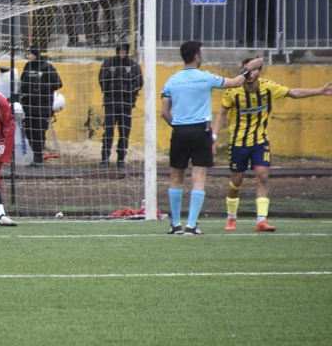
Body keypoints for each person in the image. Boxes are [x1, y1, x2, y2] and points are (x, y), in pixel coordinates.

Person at [212, 59, 332, 232]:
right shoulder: (233, 91)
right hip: (239, 143)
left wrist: (320, 91)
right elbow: (222, 112)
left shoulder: (268, 87)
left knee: (263, 176)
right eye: (247, 70)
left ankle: (261, 220)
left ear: (261, 72)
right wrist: (214, 136)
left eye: (254, 70)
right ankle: (231, 217)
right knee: (236, 181)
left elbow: (294, 93)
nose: (250, 74)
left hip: (260, 141)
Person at [160, 41, 263, 235]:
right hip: (201, 132)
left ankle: (175, 225)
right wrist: (247, 70)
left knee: (176, 178)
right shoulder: (206, 77)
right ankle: (191, 225)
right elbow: (235, 82)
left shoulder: (172, 80)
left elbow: (164, 112)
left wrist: (178, 126)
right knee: (199, 177)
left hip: (180, 132)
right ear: (197, 56)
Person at [98, 43, 143, 168]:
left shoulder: (133, 65)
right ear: (117, 50)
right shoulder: (108, 63)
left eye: (125, 50)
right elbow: (101, 80)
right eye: (120, 50)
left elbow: (139, 82)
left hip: (126, 104)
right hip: (111, 104)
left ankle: (121, 159)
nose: (122, 52)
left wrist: (131, 91)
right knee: (108, 131)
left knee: (124, 133)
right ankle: (104, 158)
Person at [20, 44, 63, 167]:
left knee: (39, 132)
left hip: (42, 106)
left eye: (30, 53)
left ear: (35, 54)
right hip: (28, 106)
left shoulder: (47, 67)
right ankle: (35, 156)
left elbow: (58, 83)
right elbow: (23, 82)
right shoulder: (27, 66)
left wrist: (41, 88)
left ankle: (38, 158)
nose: (28, 55)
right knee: (29, 131)